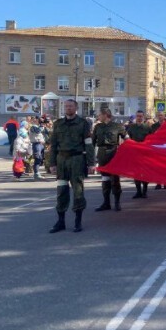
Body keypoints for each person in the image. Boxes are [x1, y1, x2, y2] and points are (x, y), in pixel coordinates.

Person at [48, 99, 94, 233]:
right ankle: (60, 221)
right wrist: (52, 163)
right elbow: (54, 145)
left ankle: (78, 221)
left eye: (71, 106)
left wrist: (91, 163)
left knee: (78, 191)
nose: (68, 108)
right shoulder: (58, 124)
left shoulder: (83, 123)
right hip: (61, 160)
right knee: (61, 191)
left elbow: (88, 144)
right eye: (66, 106)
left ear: (76, 108)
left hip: (77, 160)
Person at [93, 107, 127, 212]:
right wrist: (91, 157)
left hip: (114, 153)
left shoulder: (118, 126)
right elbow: (93, 141)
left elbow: (126, 138)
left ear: (105, 115)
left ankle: (117, 202)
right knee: (105, 179)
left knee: (115, 179)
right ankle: (106, 203)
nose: (98, 117)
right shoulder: (98, 127)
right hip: (102, 153)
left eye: (99, 115)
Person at [125, 110, 152, 198]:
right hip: (135, 153)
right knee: (136, 172)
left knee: (144, 172)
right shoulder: (132, 127)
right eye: (138, 116)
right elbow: (127, 138)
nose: (139, 118)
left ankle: (144, 191)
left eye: (141, 116)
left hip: (144, 153)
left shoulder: (147, 127)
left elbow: (151, 139)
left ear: (143, 117)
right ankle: (138, 191)